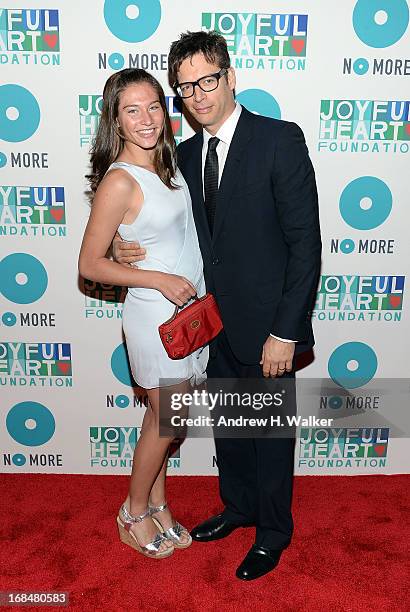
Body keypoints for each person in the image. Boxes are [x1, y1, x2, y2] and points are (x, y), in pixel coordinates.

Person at [113, 31, 321, 579]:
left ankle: (273, 532)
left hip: (270, 326)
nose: (198, 95)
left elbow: (305, 244)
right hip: (209, 322)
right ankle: (239, 507)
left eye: (207, 81)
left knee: (272, 435)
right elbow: (154, 218)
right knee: (231, 428)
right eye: (185, 88)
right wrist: (118, 244)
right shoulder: (180, 154)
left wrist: (287, 330)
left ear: (230, 78)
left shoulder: (279, 140)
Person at [78, 68, 208, 560]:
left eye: (154, 106)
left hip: (185, 313)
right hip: (155, 315)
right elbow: (89, 265)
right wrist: (158, 279)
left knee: (161, 417)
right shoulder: (120, 180)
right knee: (169, 421)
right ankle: (132, 513)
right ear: (115, 119)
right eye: (131, 110)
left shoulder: (166, 167)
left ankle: (159, 503)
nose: (146, 119)